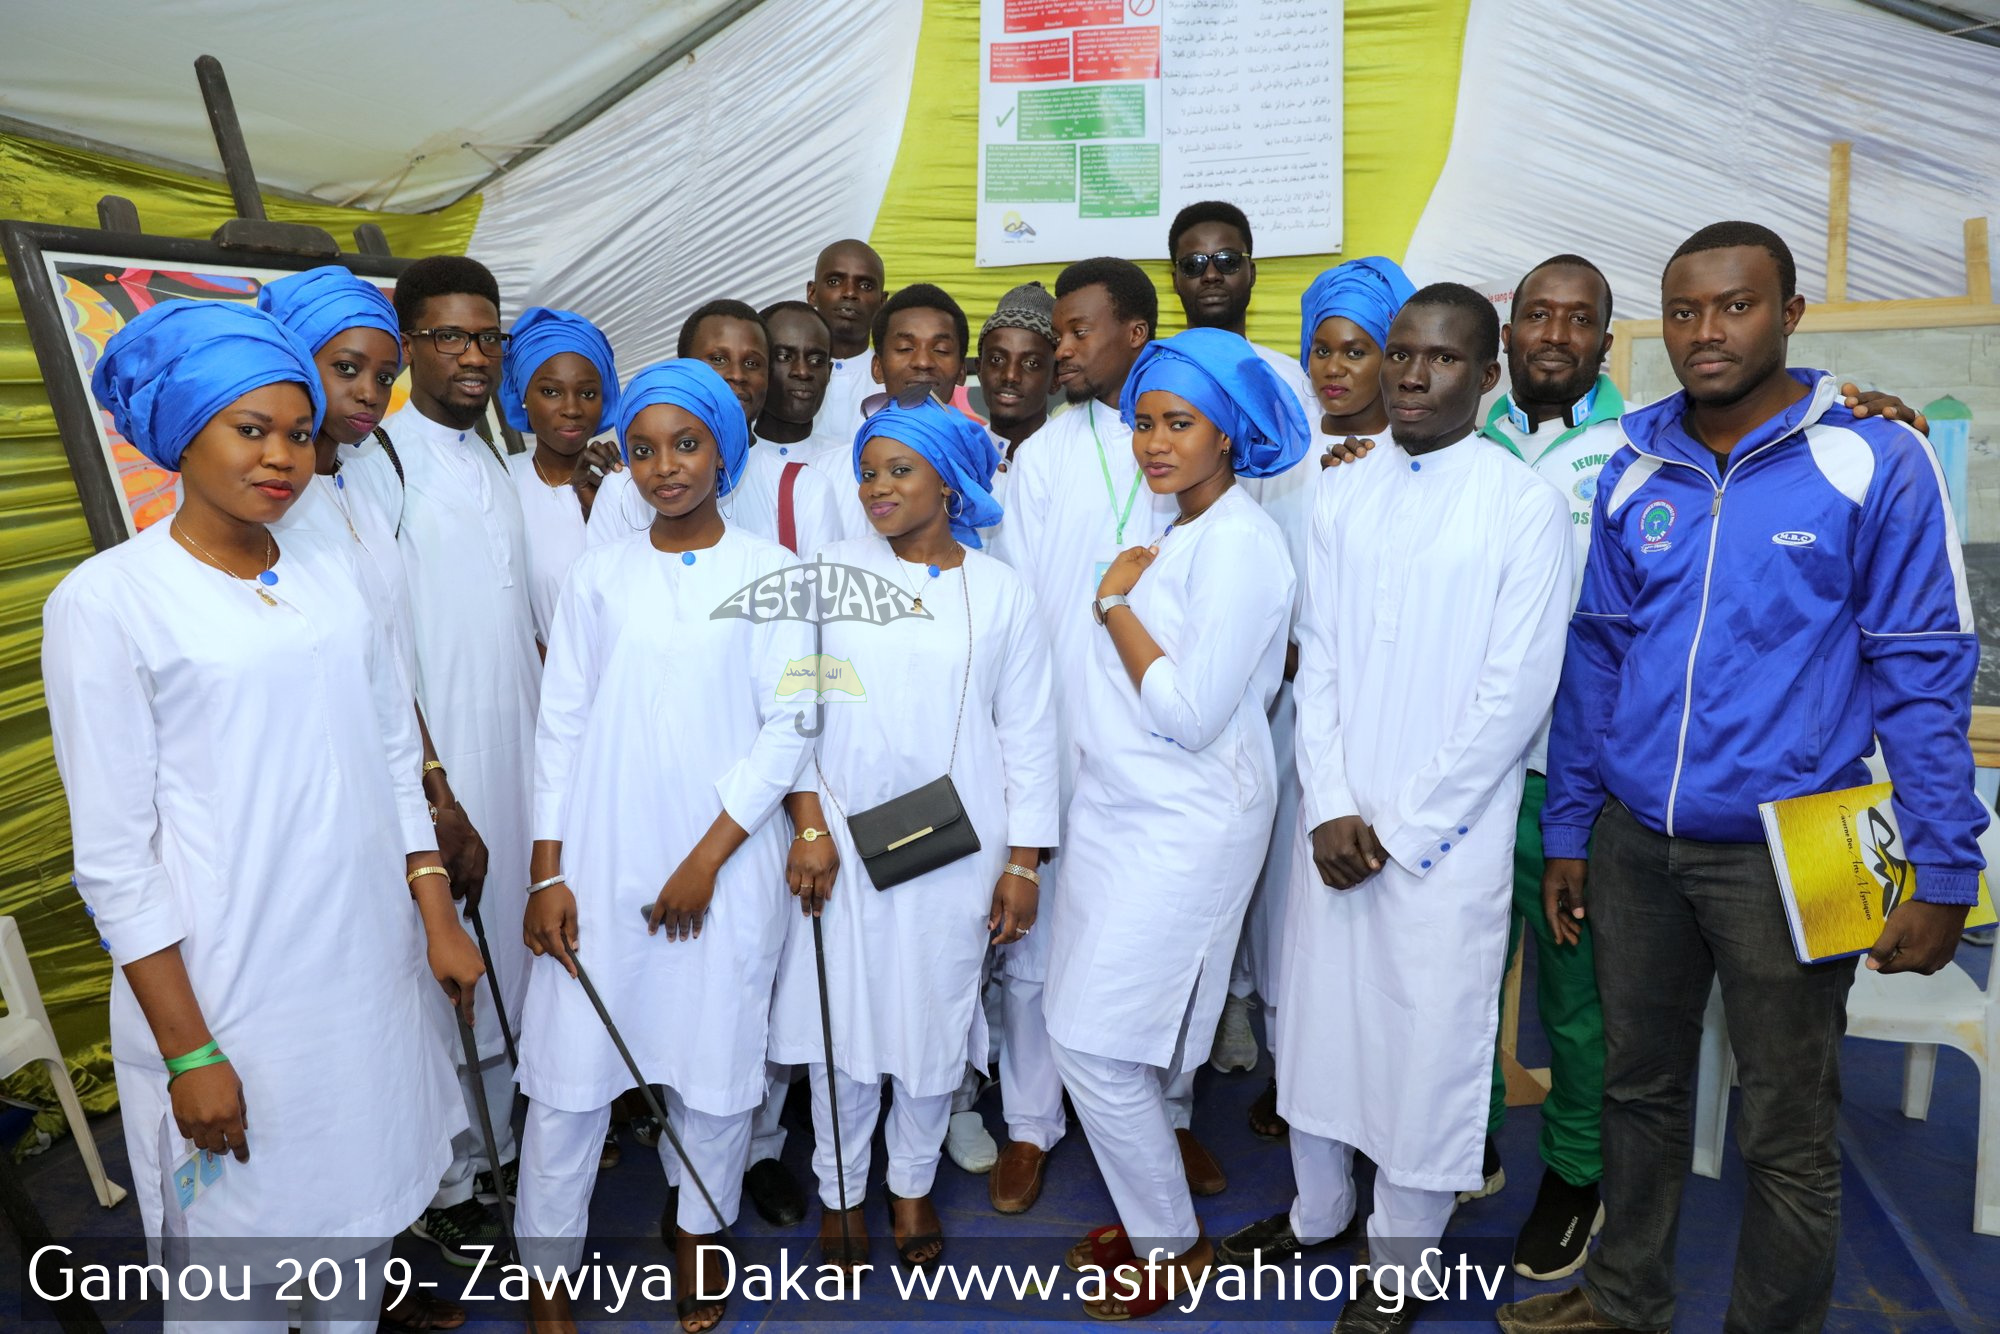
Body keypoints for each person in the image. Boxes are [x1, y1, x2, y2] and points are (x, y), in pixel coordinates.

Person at [1497, 223, 1985, 1334]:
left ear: (1788, 314)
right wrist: (1570, 826)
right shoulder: (1633, 464)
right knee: (1637, 1090)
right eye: (1683, 311)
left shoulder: (1871, 459)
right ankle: (1623, 1299)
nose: (1704, 332)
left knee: (1786, 1123)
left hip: (1795, 839)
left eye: (1733, 306)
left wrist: (1943, 865)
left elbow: (1918, 676)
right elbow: (1596, 662)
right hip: (1632, 839)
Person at [45, 300, 482, 1333]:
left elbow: (387, 753)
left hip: (361, 983)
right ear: (180, 433)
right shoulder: (108, 601)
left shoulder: (328, 575)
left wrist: (435, 917)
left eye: (295, 431)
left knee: (353, 1251)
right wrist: (191, 1052)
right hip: (231, 995)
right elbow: (112, 858)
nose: (283, 455)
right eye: (251, 430)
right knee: (232, 1283)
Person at [1223, 284, 1572, 1333]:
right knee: (1319, 1025)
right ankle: (1317, 1208)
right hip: (1333, 823)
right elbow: (1317, 656)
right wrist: (1329, 802)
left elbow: (1514, 692)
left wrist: (1403, 828)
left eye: (1442, 359)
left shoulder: (1521, 505)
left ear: (1486, 374)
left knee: (1426, 1044)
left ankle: (1398, 1260)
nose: (1414, 375)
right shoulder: (1343, 490)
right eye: (1401, 355)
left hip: (1440, 843)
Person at [516, 360, 811, 1334]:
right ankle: (547, 1268)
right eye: (642, 448)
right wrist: (547, 867)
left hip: (726, 867)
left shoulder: (772, 573)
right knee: (569, 1072)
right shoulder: (599, 576)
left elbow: (791, 721)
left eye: (684, 444)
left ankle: (697, 1227)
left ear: (722, 448)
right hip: (599, 860)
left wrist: (708, 854)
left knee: (718, 1062)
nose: (663, 467)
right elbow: (558, 726)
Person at [1042, 327, 1303, 1318]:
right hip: (1124, 814)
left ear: (1227, 435)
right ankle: (1155, 1217)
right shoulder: (1181, 531)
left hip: (1187, 823)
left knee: (1099, 1045)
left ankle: (1172, 1247)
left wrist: (1115, 603)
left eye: (1179, 423)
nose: (1154, 441)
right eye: (1144, 421)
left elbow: (1190, 714)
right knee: (1095, 1033)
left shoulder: (1238, 542)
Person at [767, 394, 1059, 1270]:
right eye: (867, 472)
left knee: (934, 1025)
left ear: (950, 479)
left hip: (956, 852)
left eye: (899, 470)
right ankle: (839, 1192)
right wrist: (810, 825)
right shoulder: (825, 573)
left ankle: (912, 1186)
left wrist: (1026, 864)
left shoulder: (1000, 590)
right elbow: (794, 708)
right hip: (843, 850)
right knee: (840, 1032)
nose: (877, 488)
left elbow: (1030, 733)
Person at [337, 254, 541, 1263]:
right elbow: (381, 640)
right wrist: (434, 788)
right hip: (441, 764)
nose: (472, 356)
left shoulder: (493, 452)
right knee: (445, 960)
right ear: (408, 343)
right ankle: (448, 1177)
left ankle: (498, 1148)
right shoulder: (384, 461)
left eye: (487, 336)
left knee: (505, 942)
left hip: (513, 746)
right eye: (449, 337)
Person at [1229, 256, 1418, 1140]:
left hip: (1383, 730)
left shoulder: (1424, 462)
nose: (1335, 369)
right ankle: (1295, 1069)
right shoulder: (1296, 457)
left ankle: (1381, 1099)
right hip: (1283, 719)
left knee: (1373, 917)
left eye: (1357, 350)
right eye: (1321, 352)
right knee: (1287, 911)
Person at [257, 265, 491, 927]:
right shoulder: (272, 512)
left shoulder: (361, 482)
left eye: (385, 378)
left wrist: (436, 793)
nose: (369, 393)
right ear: (297, 361)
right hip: (332, 792)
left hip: (398, 770)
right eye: (347, 369)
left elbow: (388, 656)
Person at [589, 302, 844, 567]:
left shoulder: (804, 489)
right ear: (683, 367)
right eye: (718, 359)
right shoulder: (623, 487)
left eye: (752, 363)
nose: (736, 375)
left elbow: (819, 600)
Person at [497, 306, 620, 651]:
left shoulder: (628, 486)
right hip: (530, 688)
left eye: (588, 393)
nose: (572, 408)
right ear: (522, 396)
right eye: (551, 391)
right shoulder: (500, 480)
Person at [807, 238, 888, 435]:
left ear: (882, 302)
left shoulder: (896, 381)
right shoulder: (783, 378)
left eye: (866, 285)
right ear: (812, 293)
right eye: (834, 281)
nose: (850, 293)